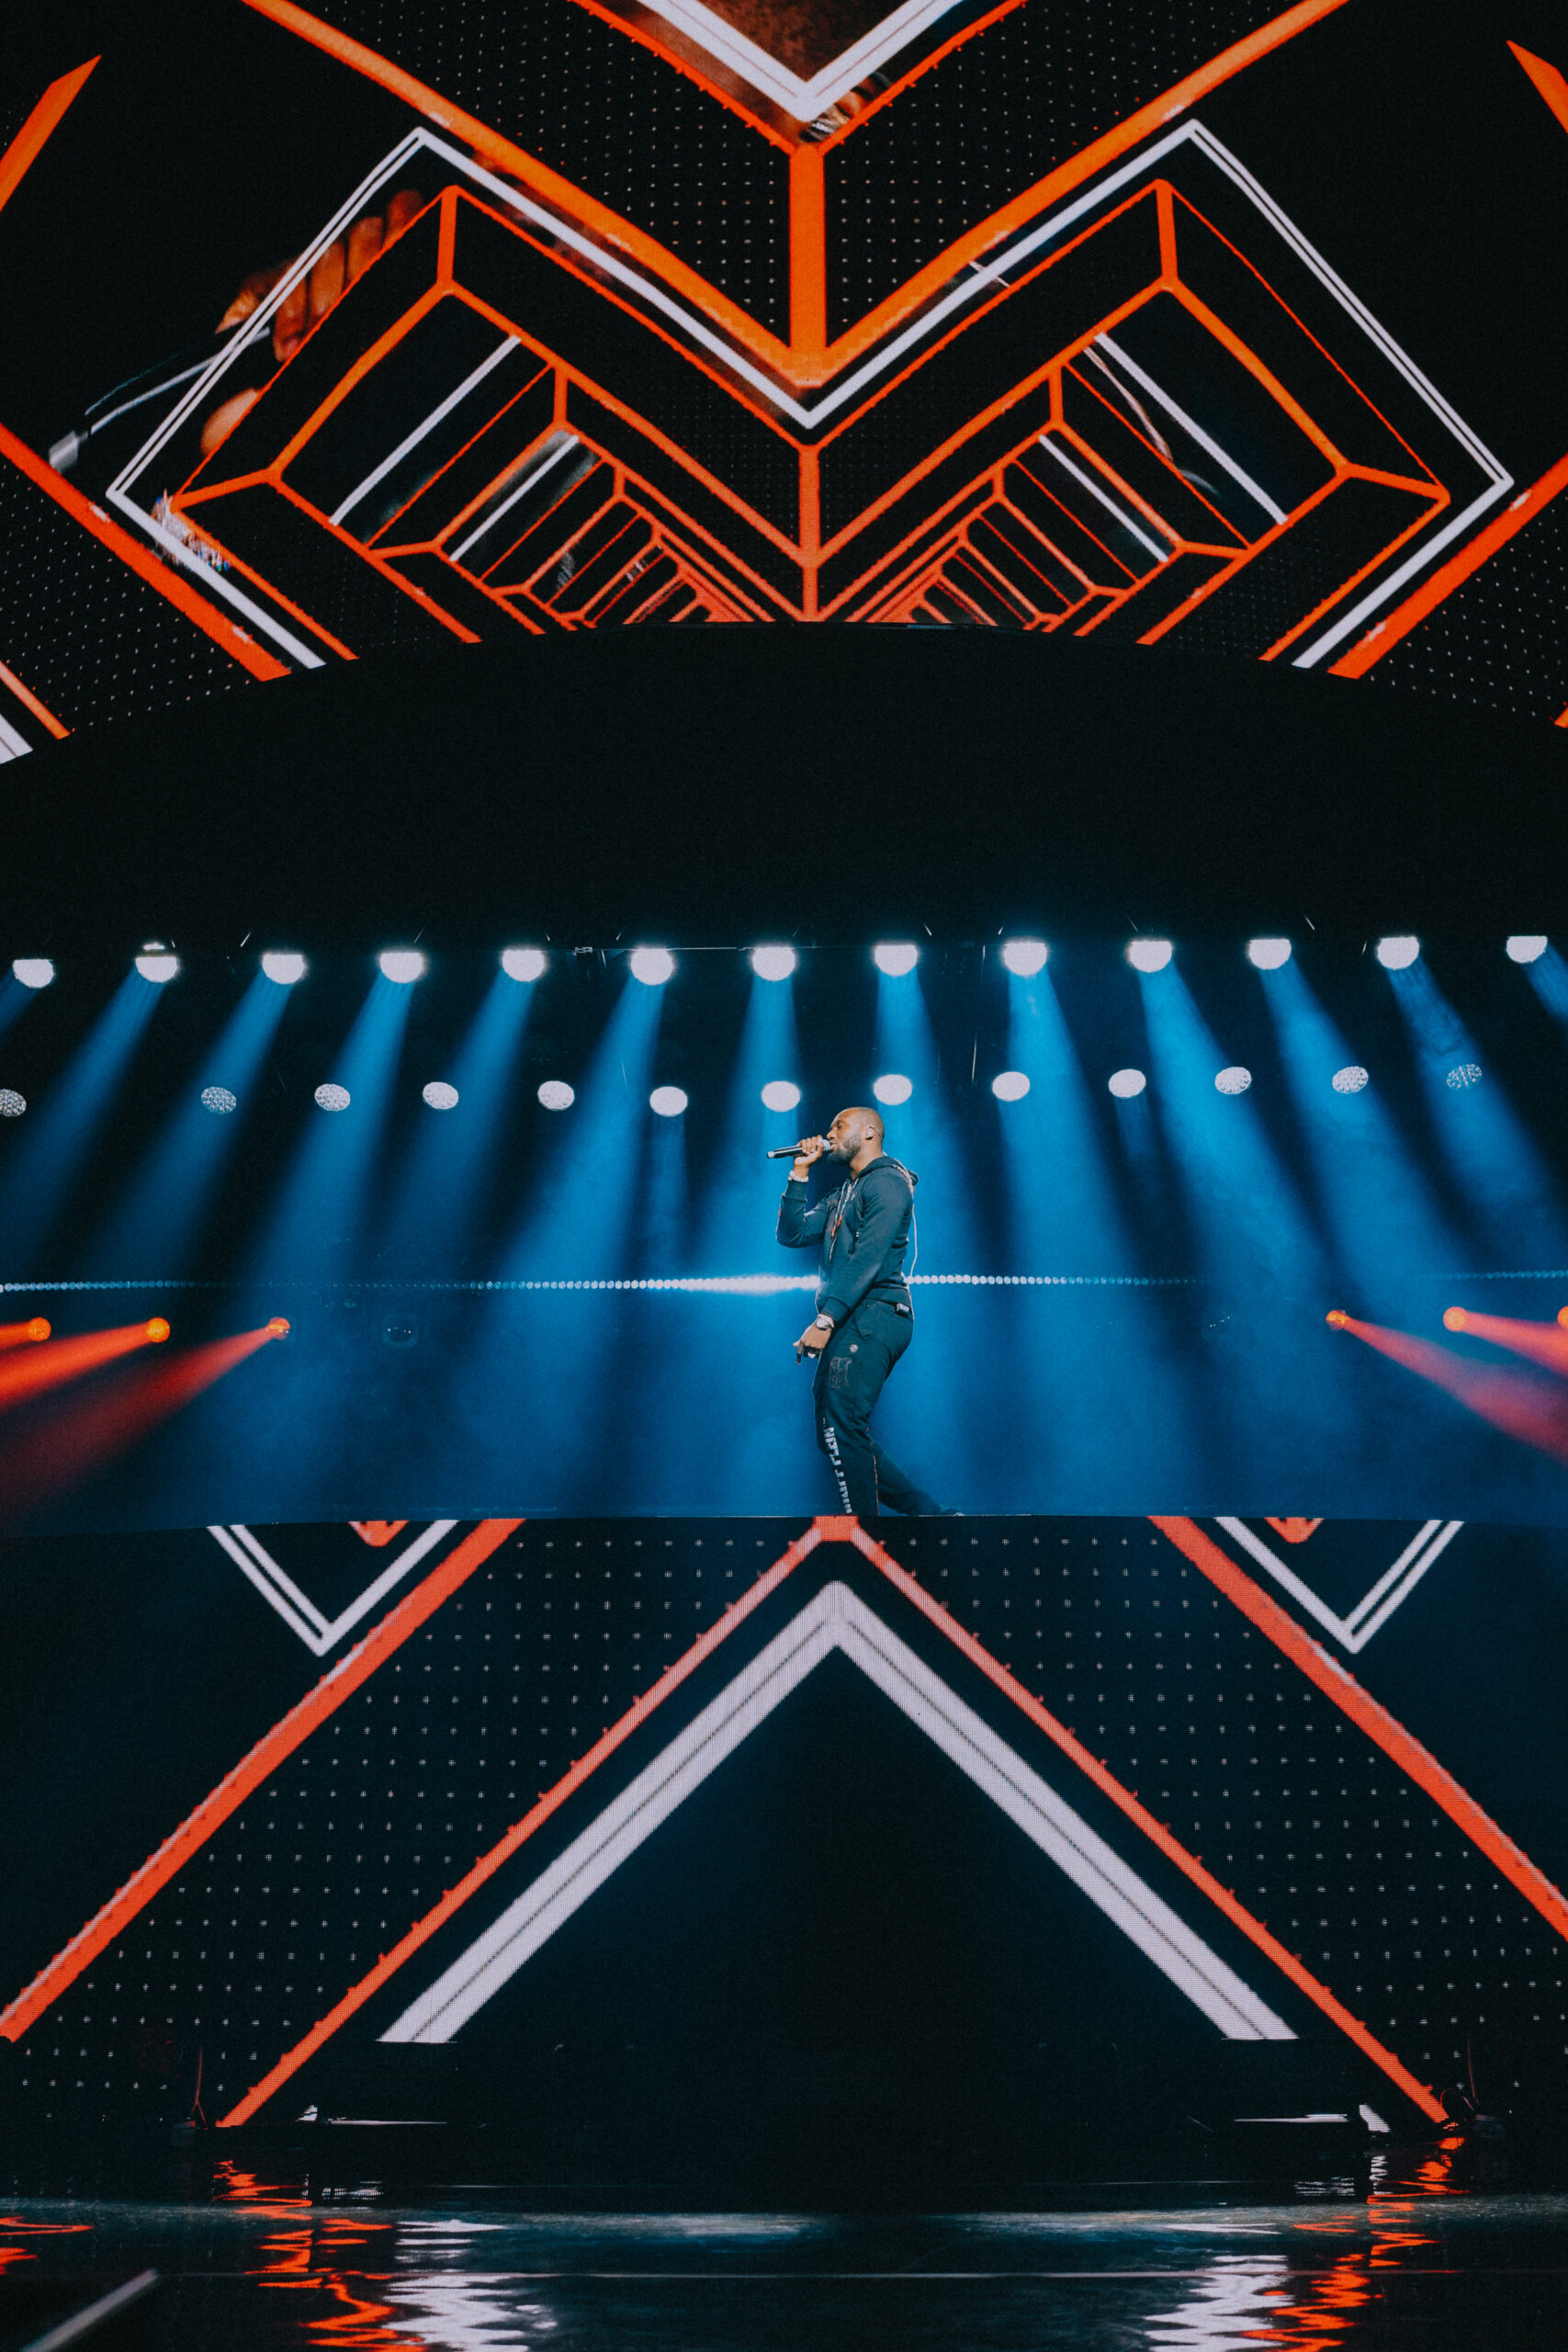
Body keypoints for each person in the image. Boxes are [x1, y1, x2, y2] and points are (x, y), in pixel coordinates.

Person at [777, 1105, 947, 1520]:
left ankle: (866, 1535)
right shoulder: (843, 1194)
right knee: (832, 1432)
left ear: (869, 1132)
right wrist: (799, 1172)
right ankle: (928, 1516)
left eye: (839, 1125)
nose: (830, 1133)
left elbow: (869, 1256)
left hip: (876, 1312)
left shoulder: (887, 1181)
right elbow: (792, 1233)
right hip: (853, 1315)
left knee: (843, 1424)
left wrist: (826, 1318)